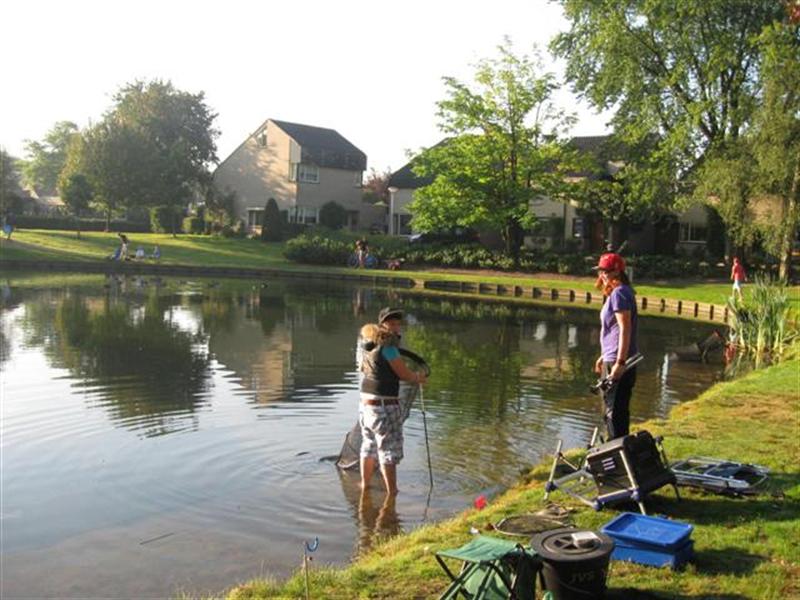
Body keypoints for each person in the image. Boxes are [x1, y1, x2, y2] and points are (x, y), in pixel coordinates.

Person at [358, 307, 427, 495]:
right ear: (382, 325)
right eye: (391, 323)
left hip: (366, 403)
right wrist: (418, 378)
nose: (395, 327)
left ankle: (365, 486)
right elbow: (403, 374)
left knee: (369, 445)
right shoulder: (389, 347)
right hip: (384, 404)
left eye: (397, 323)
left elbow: (365, 370)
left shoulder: (368, 344)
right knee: (388, 449)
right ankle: (392, 493)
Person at [593, 252, 638, 440]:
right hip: (612, 357)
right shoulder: (619, 292)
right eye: (600, 271)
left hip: (618, 361)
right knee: (614, 411)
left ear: (617, 272)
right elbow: (613, 331)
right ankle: (618, 450)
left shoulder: (619, 293)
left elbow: (625, 328)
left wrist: (620, 362)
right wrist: (604, 355)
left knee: (613, 413)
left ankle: (617, 452)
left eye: (606, 271)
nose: (602, 275)